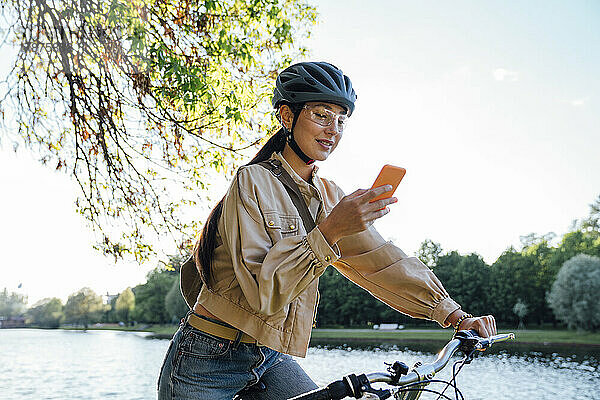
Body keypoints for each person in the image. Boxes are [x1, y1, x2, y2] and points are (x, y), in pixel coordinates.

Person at [157, 61, 496, 400]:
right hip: (206, 358)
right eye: (321, 115)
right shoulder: (253, 181)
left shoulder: (331, 195)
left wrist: (453, 314)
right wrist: (330, 230)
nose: (333, 129)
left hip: (269, 357)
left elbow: (381, 263)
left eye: (341, 120)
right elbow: (265, 291)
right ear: (287, 117)